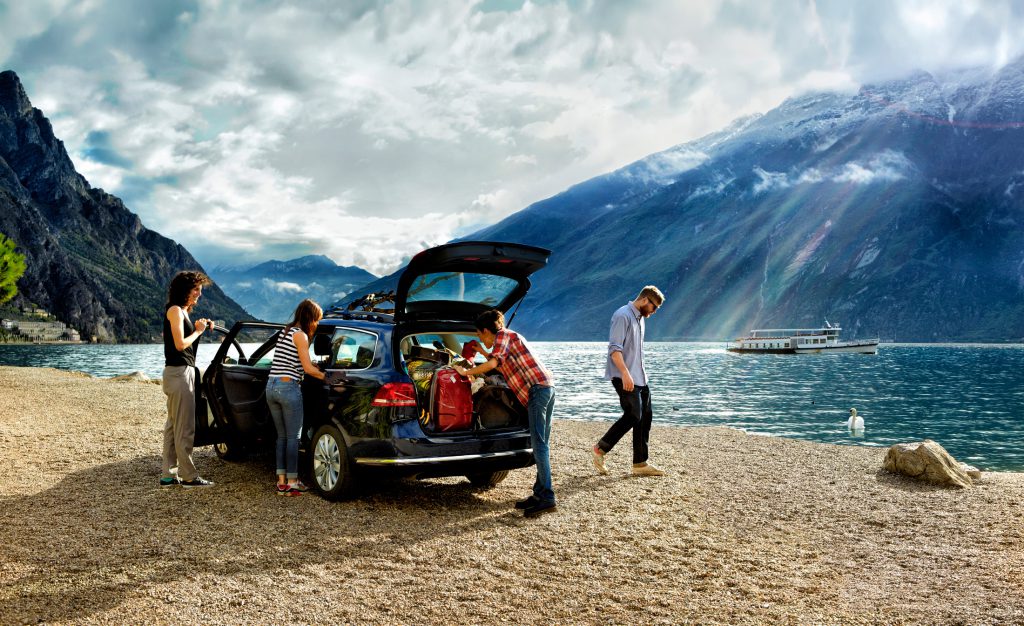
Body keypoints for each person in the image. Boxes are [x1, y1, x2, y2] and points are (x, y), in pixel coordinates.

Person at [453, 310, 556, 518]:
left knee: (540, 445)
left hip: (537, 390)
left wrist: (465, 373)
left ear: (485, 330)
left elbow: (493, 364)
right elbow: (498, 360)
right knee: (541, 442)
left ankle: (547, 497)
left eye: (480, 335)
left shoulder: (503, 336)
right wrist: (481, 350)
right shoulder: (509, 337)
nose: (481, 338)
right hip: (545, 387)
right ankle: (539, 493)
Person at [591, 285, 666, 477]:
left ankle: (640, 463)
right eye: (654, 307)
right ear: (644, 300)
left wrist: (637, 374)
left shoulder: (640, 318)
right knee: (633, 415)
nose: (655, 311)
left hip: (640, 376)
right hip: (624, 376)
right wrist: (625, 374)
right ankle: (600, 449)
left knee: (645, 416)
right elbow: (614, 349)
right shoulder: (622, 315)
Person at [161, 270, 216, 488]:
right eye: (196, 290)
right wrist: (198, 331)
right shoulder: (175, 310)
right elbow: (180, 344)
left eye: (200, 291)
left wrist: (200, 326)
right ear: (184, 289)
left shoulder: (182, 312)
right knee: (184, 427)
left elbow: (185, 339)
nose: (198, 294)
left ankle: (168, 474)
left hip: (180, 372)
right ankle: (189, 476)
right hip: (179, 373)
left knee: (173, 426)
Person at [266, 299, 327, 496]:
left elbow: (295, 362)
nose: (317, 324)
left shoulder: (286, 331)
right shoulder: (301, 336)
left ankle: (281, 481)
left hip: (271, 386)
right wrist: (328, 377)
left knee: (281, 437)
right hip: (287, 388)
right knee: (294, 438)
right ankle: (293, 481)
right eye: (317, 320)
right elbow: (307, 369)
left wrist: (312, 366)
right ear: (310, 318)